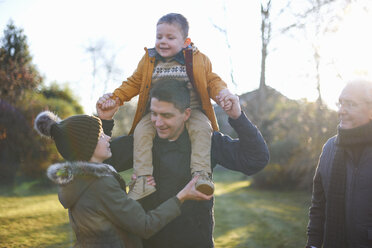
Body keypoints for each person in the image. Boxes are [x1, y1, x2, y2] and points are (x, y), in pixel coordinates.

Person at [97, 79, 269, 248]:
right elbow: (99, 161)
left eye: (166, 115)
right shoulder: (142, 141)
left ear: (186, 114)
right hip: (147, 241)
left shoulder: (207, 141)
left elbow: (255, 160)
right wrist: (105, 121)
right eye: (154, 114)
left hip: (195, 241)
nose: (157, 122)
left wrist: (237, 117)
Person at [99, 13, 234, 200]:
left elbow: (212, 81)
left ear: (186, 41)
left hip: (192, 109)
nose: (163, 41)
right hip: (157, 113)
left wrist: (223, 94)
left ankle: (201, 175)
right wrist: (116, 98)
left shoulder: (198, 59)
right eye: (159, 37)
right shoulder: (149, 60)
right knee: (141, 131)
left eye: (170, 38)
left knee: (203, 129)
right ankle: (143, 180)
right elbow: (134, 82)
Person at [34, 110, 212, 248]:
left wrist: (132, 194)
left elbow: (109, 214)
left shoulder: (80, 181)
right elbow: (145, 225)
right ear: (87, 147)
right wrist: (181, 196)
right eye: (101, 135)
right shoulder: (99, 183)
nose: (108, 137)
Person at [306, 79, 372, 248]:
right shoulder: (330, 148)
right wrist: (313, 244)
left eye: (350, 104)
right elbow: (319, 205)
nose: (341, 111)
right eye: (340, 103)